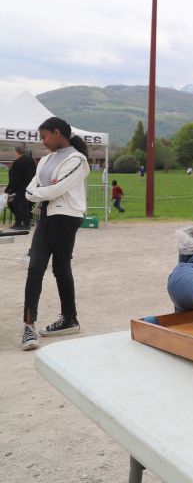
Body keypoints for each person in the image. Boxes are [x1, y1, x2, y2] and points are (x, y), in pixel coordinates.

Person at [20, 117, 91, 351]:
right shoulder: (46, 160)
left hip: (66, 217)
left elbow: (56, 189)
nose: (43, 142)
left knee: (61, 268)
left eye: (44, 136)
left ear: (57, 132)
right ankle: (29, 327)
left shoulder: (78, 160)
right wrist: (40, 193)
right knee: (35, 268)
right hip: (46, 216)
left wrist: (38, 192)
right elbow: (30, 189)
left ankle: (70, 318)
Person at [5, 145, 36, 231]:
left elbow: (15, 177)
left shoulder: (18, 162)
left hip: (20, 188)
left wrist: (10, 189)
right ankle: (19, 222)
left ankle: (26, 224)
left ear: (16, 152)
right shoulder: (31, 161)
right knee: (17, 204)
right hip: (30, 187)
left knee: (21, 206)